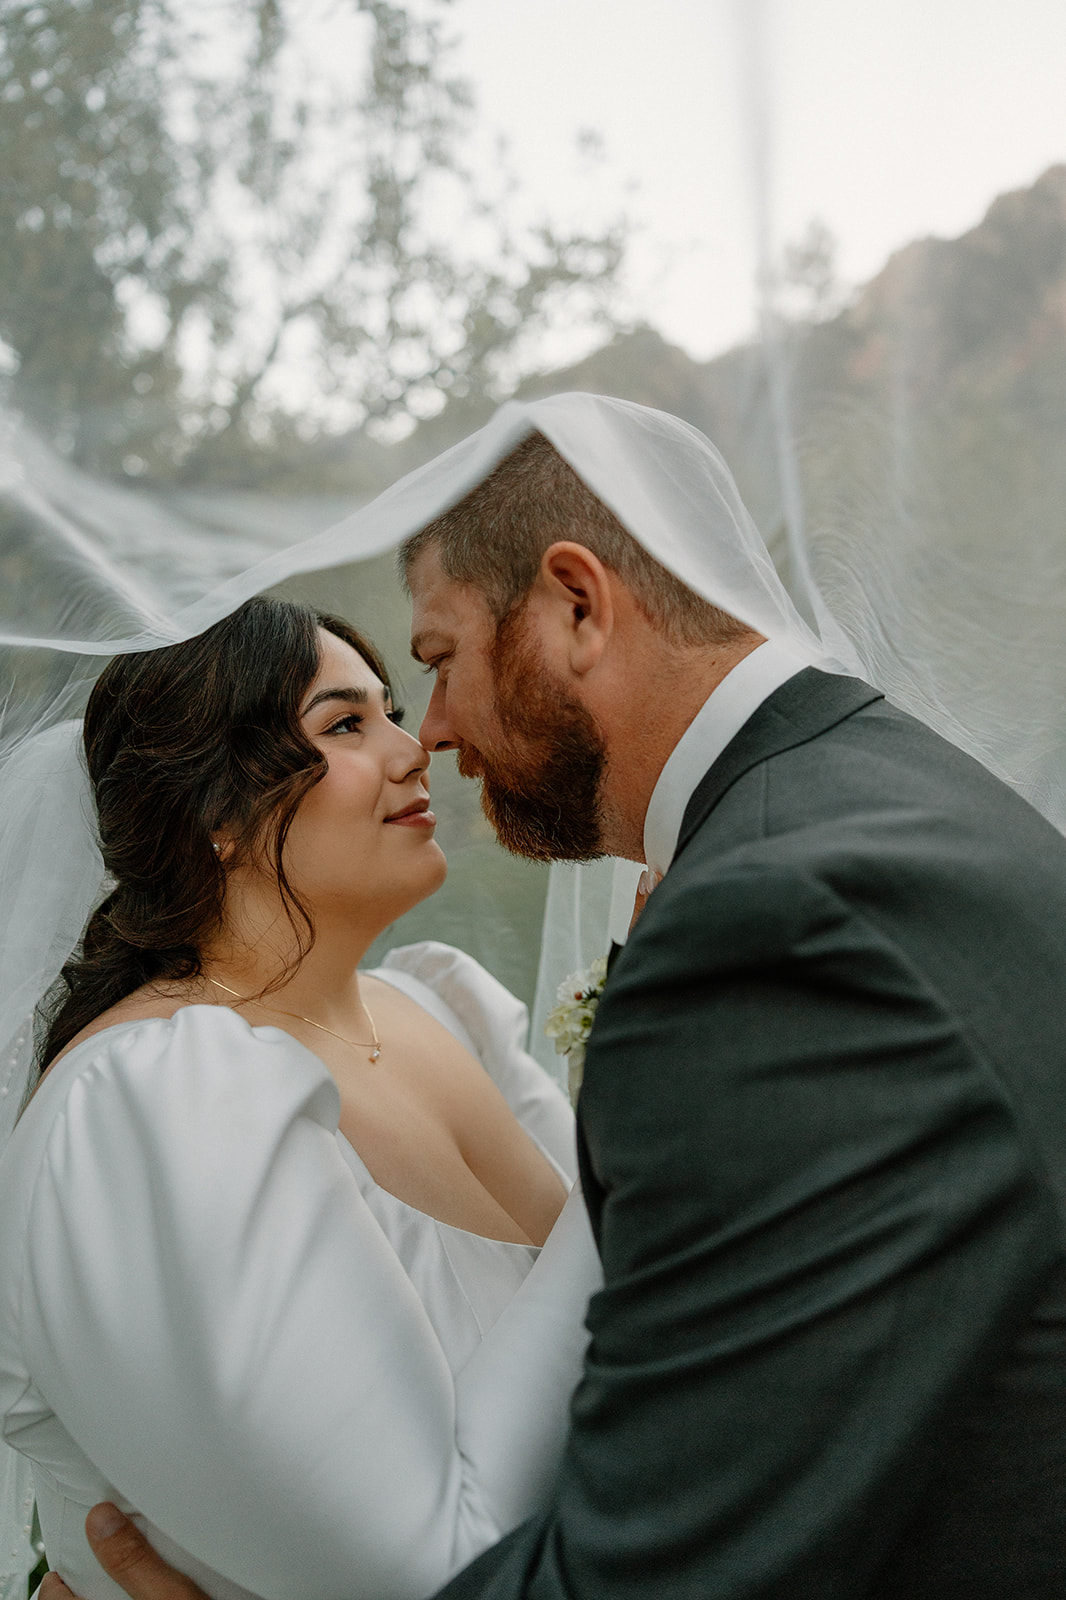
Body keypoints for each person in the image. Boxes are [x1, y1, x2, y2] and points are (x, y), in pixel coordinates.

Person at [66, 403, 1066, 1599]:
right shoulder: (891, 793)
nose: (426, 736)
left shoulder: (775, 924)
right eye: (355, 717)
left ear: (577, 606)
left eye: (432, 665)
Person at [0, 594, 603, 1600]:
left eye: (392, 711)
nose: (415, 751)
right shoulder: (152, 1103)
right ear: (218, 815)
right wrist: (648, 1126)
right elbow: (440, 1576)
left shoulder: (440, 1009)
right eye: (345, 725)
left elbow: (634, 1313)